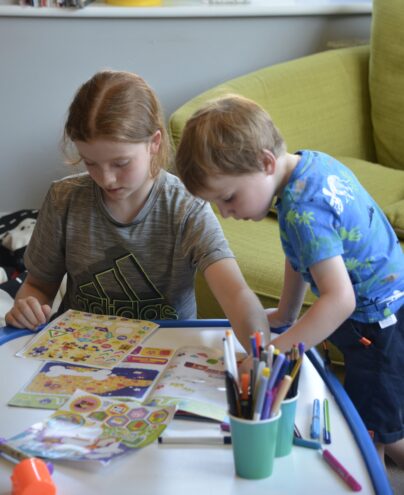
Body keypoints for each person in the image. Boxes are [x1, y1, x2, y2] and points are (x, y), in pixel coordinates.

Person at [175, 94, 404, 468]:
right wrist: (286, 312)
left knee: (368, 435)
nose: (226, 213)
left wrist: (274, 354)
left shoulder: (303, 210)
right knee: (382, 424)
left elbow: (340, 300)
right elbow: (301, 254)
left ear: (266, 162)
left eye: (229, 198)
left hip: (376, 325)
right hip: (387, 304)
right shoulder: (308, 165)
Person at [5, 72, 269, 353]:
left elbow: (236, 292)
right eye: (91, 163)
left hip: (166, 354)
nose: (106, 179)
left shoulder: (187, 207)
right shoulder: (64, 200)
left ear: (154, 143)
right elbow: (38, 287)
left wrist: (262, 352)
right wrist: (27, 307)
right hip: (81, 353)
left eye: (121, 163)